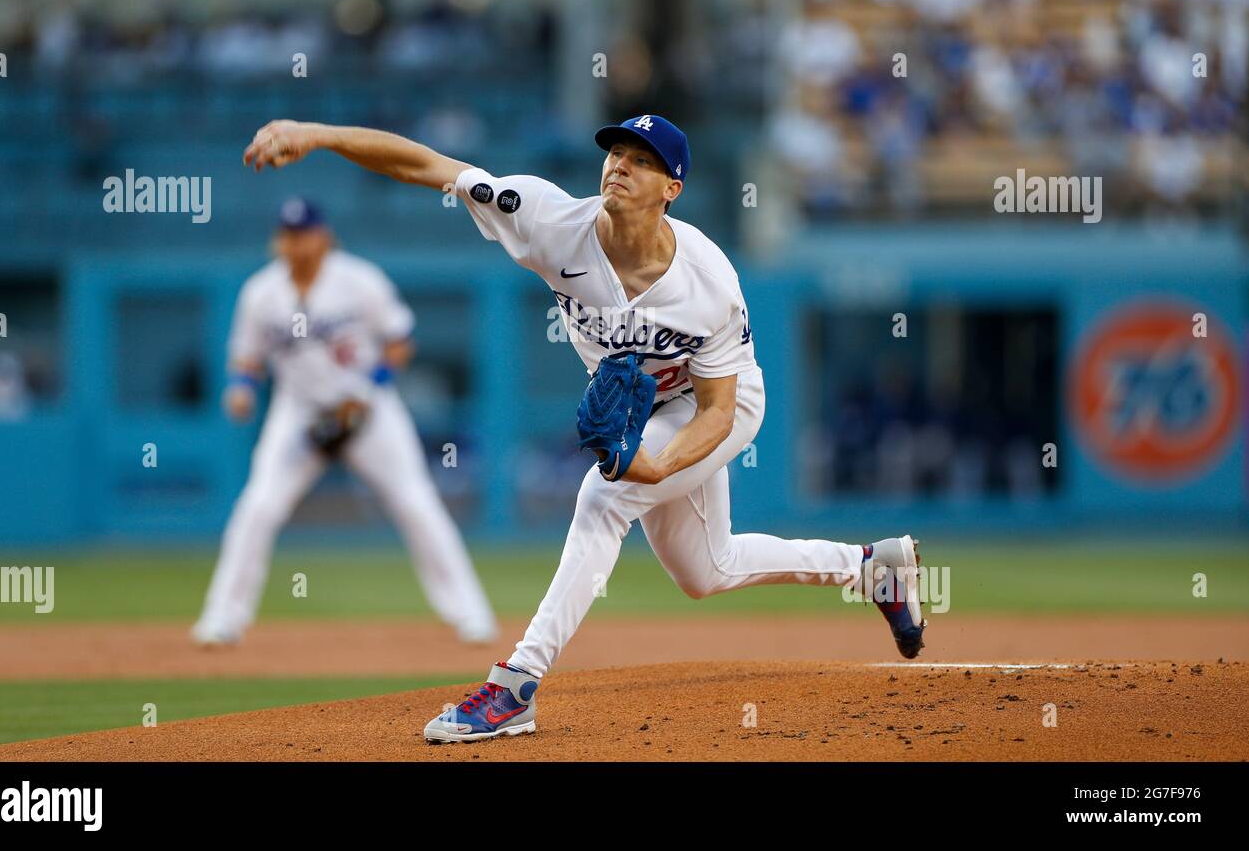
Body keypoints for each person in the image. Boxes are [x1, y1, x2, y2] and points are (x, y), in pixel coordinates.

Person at [241, 116, 926, 743]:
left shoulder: (708, 280)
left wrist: (656, 468)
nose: (620, 166)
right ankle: (873, 569)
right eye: (616, 153)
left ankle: (515, 686)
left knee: (604, 499)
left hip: (717, 405)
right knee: (704, 571)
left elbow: (718, 410)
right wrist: (319, 134)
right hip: (647, 411)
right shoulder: (545, 219)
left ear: (672, 188)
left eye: (642, 159)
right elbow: (428, 166)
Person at [191, 197, 498, 647]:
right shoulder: (260, 292)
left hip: (367, 408)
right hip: (298, 412)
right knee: (258, 507)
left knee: (416, 504)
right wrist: (241, 388)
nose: (297, 243)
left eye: (306, 233)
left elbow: (400, 343)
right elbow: (247, 358)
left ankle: (471, 614)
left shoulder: (359, 280)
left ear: (325, 236)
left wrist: (366, 389)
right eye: (289, 234)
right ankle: (223, 618)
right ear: (279, 240)